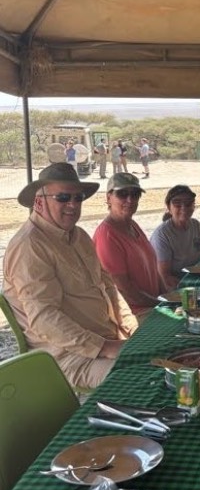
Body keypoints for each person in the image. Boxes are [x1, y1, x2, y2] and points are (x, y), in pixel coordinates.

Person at [3, 164, 138, 390]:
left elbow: (108, 286)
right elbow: (44, 318)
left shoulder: (78, 235)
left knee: (175, 352)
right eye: (63, 197)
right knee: (143, 375)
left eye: (78, 197)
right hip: (69, 358)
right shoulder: (30, 246)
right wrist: (105, 347)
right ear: (38, 202)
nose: (72, 205)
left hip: (108, 338)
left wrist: (131, 327)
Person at [93, 173, 166, 318]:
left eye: (135, 194)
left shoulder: (132, 225)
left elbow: (153, 269)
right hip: (134, 315)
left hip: (151, 306)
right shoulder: (107, 236)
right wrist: (161, 304)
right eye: (122, 194)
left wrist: (167, 296)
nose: (130, 200)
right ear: (108, 198)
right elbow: (125, 291)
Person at [150, 185, 200, 289]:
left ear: (194, 206)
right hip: (176, 287)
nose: (183, 207)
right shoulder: (162, 234)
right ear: (169, 208)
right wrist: (191, 289)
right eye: (177, 204)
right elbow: (164, 277)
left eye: (188, 203)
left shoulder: (196, 225)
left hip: (196, 280)